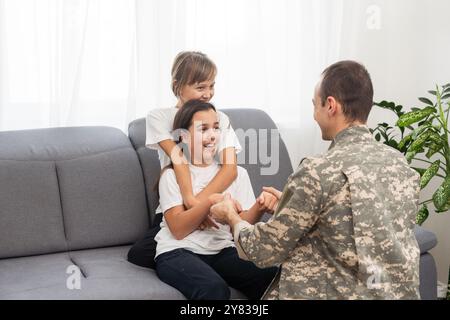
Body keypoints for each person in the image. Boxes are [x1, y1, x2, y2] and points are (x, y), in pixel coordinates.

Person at [210, 60, 422, 299]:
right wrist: (291, 206)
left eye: (315, 105)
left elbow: (263, 251)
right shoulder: (399, 163)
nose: (314, 115)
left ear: (330, 105)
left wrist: (231, 217)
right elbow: (362, 224)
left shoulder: (318, 171)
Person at [153, 99, 277, 300]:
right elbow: (177, 229)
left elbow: (241, 222)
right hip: (178, 252)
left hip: (222, 250)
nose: (212, 136)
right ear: (184, 135)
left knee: (271, 277)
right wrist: (210, 201)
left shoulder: (238, 174)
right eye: (203, 129)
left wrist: (260, 206)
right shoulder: (171, 176)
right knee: (214, 289)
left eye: (216, 128)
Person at [127, 51, 241, 268]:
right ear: (178, 86)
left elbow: (230, 170)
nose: (208, 94)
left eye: (211, 86)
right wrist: (190, 203)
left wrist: (200, 207)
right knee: (139, 254)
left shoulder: (220, 119)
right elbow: (178, 158)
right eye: (201, 87)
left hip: (210, 205)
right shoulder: (159, 117)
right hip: (175, 206)